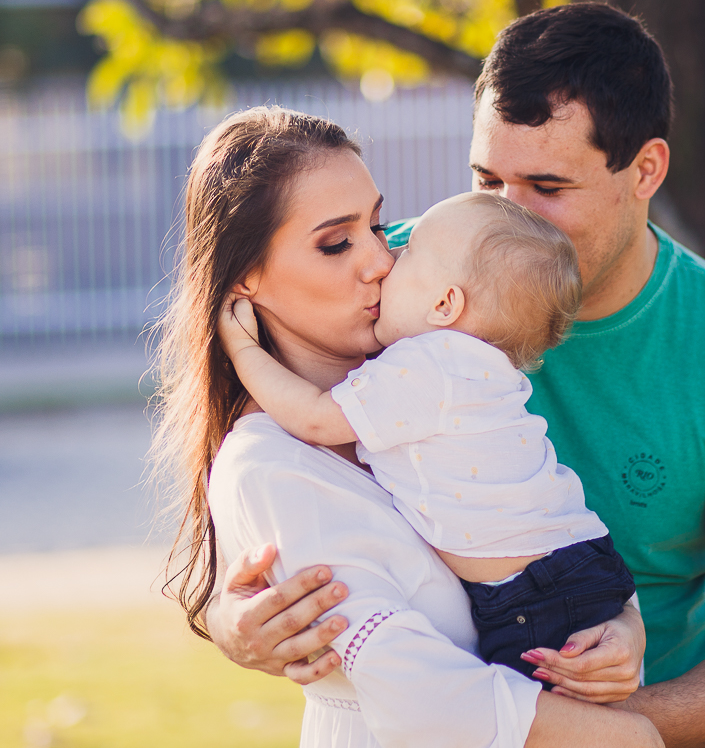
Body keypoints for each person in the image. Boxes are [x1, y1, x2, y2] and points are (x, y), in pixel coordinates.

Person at [206, 3, 705, 747]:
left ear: (646, 170)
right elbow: (262, 475)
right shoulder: (398, 282)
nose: (509, 215)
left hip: (667, 720)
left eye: (547, 186)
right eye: (486, 178)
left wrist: (594, 730)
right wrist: (231, 623)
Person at [153, 104, 662, 747]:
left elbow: (542, 515)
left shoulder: (443, 379)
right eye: (337, 242)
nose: (380, 261)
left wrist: (618, 626)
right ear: (246, 278)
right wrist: (625, 739)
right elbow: (416, 688)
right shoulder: (270, 463)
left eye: (379, 226)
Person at [218, 191, 637, 684]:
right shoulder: (474, 369)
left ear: (443, 304)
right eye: (338, 242)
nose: (386, 260)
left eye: (406, 251)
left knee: (534, 724)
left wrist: (242, 351)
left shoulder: (427, 366)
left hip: (530, 596)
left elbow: (314, 418)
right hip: (575, 566)